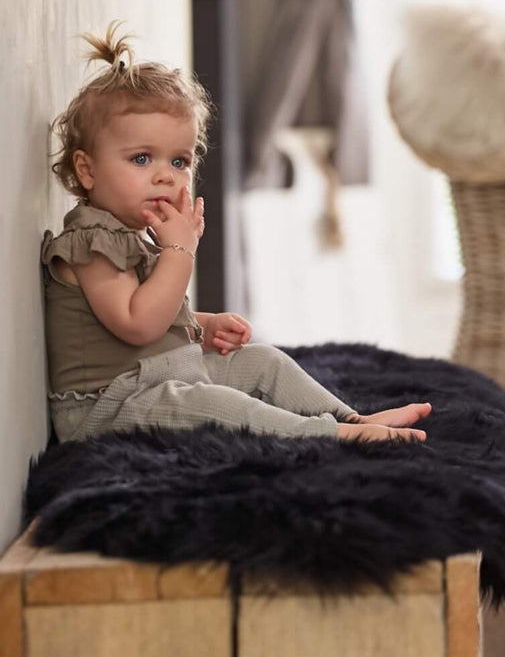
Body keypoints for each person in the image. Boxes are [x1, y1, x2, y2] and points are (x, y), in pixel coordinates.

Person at [42, 22, 431, 445]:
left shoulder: (129, 234)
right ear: (87, 169)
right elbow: (136, 324)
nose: (164, 177)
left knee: (263, 361)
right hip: (106, 407)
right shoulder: (91, 242)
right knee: (223, 407)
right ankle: (328, 434)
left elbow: (154, 317)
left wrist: (199, 327)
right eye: (140, 159)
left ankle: (351, 418)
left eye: (179, 162)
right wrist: (179, 251)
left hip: (154, 381)